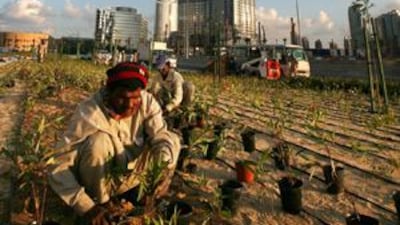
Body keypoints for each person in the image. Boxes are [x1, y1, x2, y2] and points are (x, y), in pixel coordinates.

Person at [48, 62, 181, 224]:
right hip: (100, 181)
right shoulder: (90, 112)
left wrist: (162, 172)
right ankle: (102, 205)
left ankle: (141, 193)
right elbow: (58, 166)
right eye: (122, 98)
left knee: (171, 140)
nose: (130, 105)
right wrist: (86, 206)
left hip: (133, 177)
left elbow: (161, 137)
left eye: (135, 98)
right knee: (98, 143)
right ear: (109, 92)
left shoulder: (147, 103)